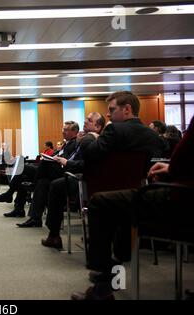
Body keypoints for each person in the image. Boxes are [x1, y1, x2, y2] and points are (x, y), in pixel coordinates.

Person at [72, 116, 194, 300]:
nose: (109, 115)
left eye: (112, 109)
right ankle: (113, 270)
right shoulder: (152, 136)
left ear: (126, 109)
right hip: (158, 189)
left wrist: (172, 169)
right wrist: (169, 168)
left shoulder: (111, 133)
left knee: (100, 202)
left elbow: (88, 156)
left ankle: (104, 281)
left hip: (182, 199)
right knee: (125, 207)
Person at [17, 113, 105, 230]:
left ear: (98, 127)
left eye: (89, 120)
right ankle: (36, 219)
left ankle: (52, 232)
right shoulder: (82, 139)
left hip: (76, 176)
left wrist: (66, 161)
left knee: (40, 169)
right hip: (68, 171)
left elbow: (84, 164)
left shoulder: (91, 141)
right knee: (42, 182)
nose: (85, 122)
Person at [0, 121, 79, 217]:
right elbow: (55, 155)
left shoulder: (74, 143)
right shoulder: (66, 143)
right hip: (49, 168)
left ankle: (8, 194)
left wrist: (53, 157)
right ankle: (18, 209)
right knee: (22, 178)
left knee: (22, 166)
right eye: (63, 129)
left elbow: (63, 159)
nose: (63, 131)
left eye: (66, 130)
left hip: (54, 172)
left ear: (74, 132)